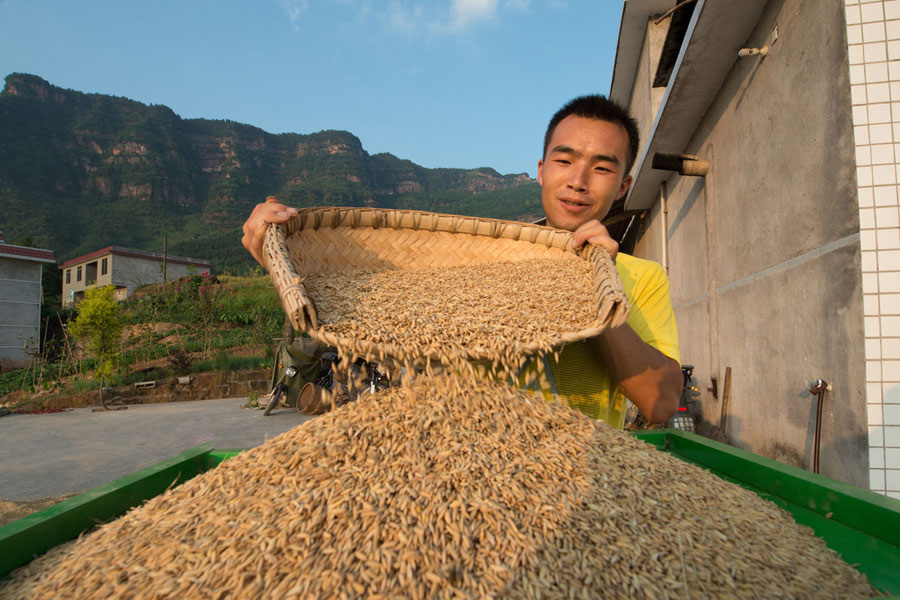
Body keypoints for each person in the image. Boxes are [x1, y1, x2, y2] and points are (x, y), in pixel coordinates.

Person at [241, 94, 681, 427]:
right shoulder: (475, 265)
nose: (578, 181)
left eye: (602, 169)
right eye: (564, 161)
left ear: (623, 185)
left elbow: (660, 404)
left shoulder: (640, 278)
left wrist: (595, 287)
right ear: (542, 169)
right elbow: (362, 314)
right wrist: (279, 257)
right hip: (458, 467)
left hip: (573, 475)